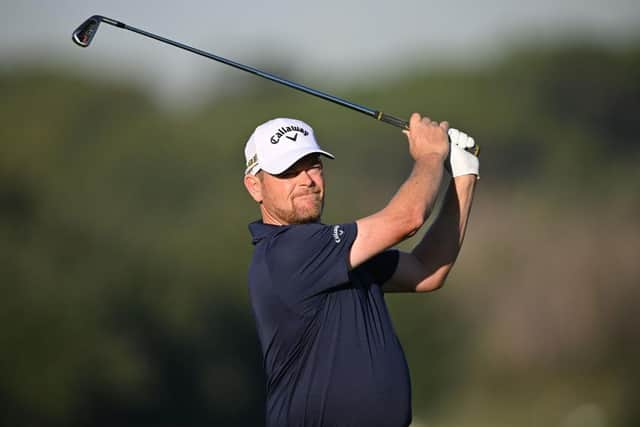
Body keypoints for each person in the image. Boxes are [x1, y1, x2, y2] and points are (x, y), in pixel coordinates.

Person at [243, 113, 479, 427]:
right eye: (287, 172)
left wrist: (463, 177)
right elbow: (407, 219)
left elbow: (427, 270)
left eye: (313, 165)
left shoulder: (333, 252)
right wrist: (432, 156)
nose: (306, 180)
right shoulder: (287, 252)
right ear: (254, 187)